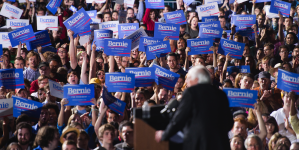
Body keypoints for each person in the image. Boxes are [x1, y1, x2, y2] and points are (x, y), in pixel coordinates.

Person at [155, 65, 233, 150]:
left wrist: (165, 134)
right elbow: (229, 122)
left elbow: (180, 119)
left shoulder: (191, 92)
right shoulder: (221, 94)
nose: (187, 81)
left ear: (196, 79)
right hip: (221, 144)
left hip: (198, 144)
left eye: (188, 78)